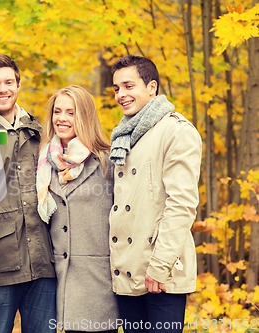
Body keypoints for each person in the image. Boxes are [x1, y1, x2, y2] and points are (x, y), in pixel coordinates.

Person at [0, 54, 57, 333]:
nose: (2, 89)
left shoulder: (37, 132)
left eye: (8, 82)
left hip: (42, 261)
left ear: (18, 85)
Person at [108, 55, 202, 333]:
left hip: (161, 274)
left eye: (128, 86)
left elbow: (181, 205)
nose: (121, 95)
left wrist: (159, 266)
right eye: (116, 89)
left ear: (151, 87)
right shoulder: (123, 135)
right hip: (128, 268)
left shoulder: (175, 131)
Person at [36, 85, 119, 333]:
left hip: (98, 281)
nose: (62, 118)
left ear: (84, 116)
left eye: (70, 113)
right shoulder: (45, 160)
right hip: (58, 280)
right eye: (57, 111)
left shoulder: (106, 160)